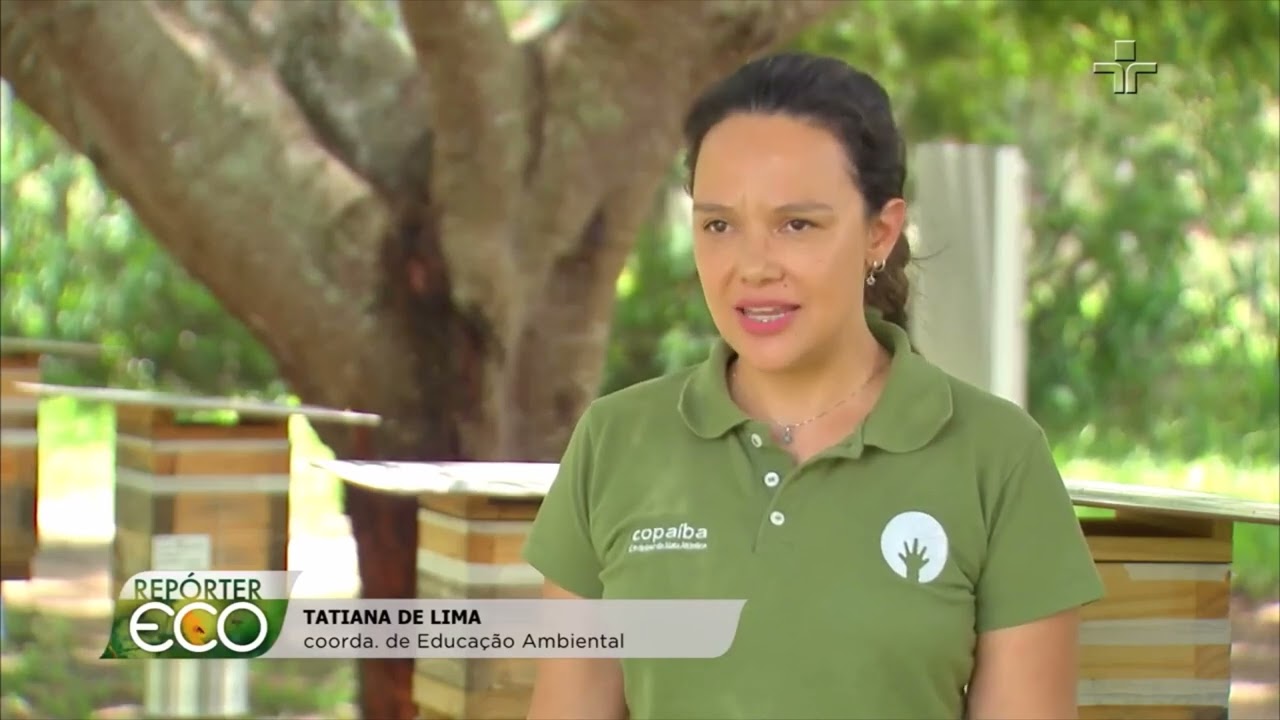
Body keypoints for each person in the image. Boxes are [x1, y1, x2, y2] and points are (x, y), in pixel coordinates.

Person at [522, 52, 1104, 720]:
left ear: (879, 233)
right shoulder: (615, 442)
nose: (752, 266)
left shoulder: (997, 457)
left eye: (796, 224)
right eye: (719, 224)